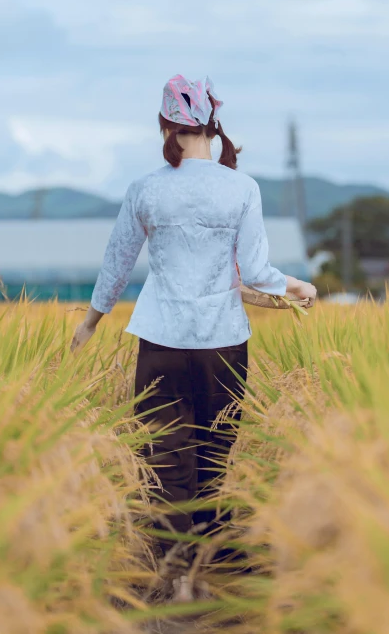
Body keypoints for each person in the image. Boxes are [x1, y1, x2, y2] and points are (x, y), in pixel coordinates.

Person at [71, 74, 317, 597]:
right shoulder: (241, 188)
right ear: (213, 123)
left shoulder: (146, 189)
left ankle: (178, 570)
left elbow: (116, 263)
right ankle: (206, 567)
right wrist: (298, 285)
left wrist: (91, 321)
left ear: (166, 124)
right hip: (223, 344)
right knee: (213, 452)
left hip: (160, 342)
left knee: (164, 453)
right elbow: (256, 271)